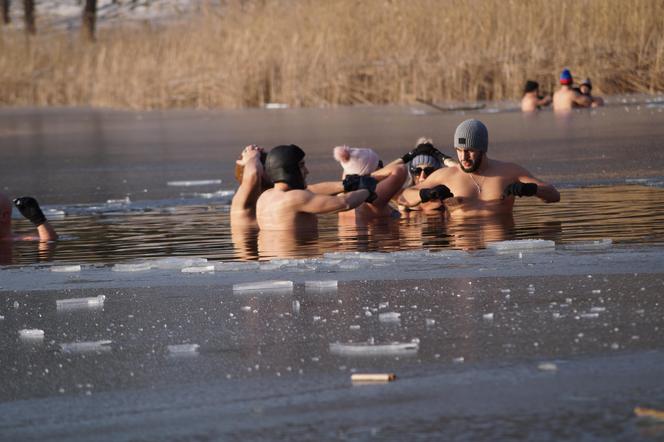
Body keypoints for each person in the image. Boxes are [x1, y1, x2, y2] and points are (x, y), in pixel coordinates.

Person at [399, 119, 560, 218]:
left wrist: (531, 189)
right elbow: (404, 198)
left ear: (483, 149)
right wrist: (425, 193)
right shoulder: (446, 176)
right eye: (459, 150)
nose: (464, 157)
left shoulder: (509, 172)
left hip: (501, 249)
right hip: (462, 250)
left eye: (470, 150)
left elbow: (554, 195)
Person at [255, 144, 377, 231]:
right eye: (302, 166)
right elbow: (344, 203)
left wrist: (347, 184)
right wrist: (367, 190)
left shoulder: (266, 196)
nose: (307, 171)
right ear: (289, 170)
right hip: (298, 260)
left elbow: (311, 190)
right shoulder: (295, 198)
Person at [333, 145, 407, 222]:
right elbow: (400, 169)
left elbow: (350, 172)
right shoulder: (372, 199)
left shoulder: (342, 199)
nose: (384, 168)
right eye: (380, 164)